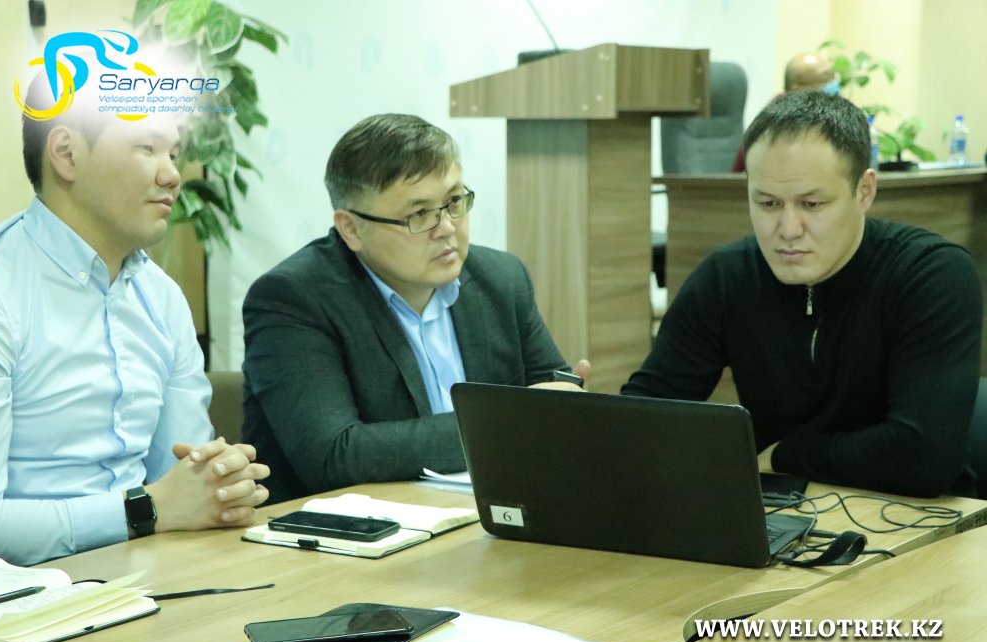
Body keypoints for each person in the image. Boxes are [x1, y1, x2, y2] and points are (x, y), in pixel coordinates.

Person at [624, 91, 982, 498]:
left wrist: (784, 457)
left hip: (922, 516)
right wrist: (580, 414)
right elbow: (646, 415)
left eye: (812, 204)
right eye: (768, 203)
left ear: (864, 191)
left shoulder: (930, 274)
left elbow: (924, 456)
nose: (788, 229)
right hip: (784, 511)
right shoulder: (728, 276)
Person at [0, 71, 270, 566]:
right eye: (147, 148)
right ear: (66, 154)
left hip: (149, 576)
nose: (173, 175)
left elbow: (183, 479)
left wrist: (221, 486)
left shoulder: (161, 298)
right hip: (22, 595)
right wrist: (144, 510)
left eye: (174, 153)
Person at [243, 113, 586, 503]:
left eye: (454, 202)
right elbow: (334, 454)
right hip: (349, 530)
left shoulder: (501, 279)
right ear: (351, 229)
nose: (447, 227)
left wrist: (569, 403)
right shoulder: (293, 298)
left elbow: (552, 406)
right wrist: (505, 423)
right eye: (419, 214)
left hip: (485, 513)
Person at [732, 51, 838, 172]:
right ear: (797, 89)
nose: (832, 84)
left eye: (832, 77)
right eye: (825, 78)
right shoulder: (773, 120)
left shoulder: (830, 111)